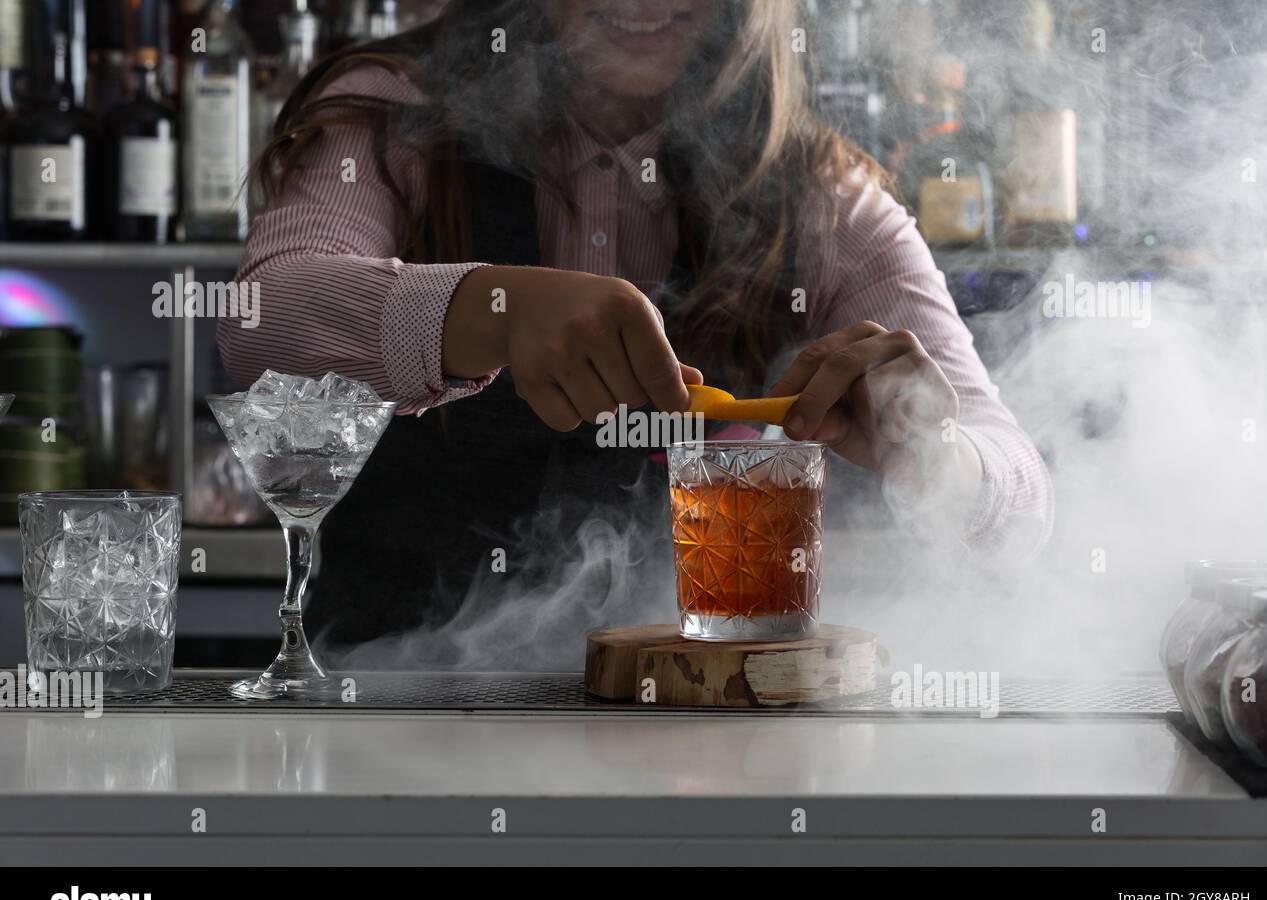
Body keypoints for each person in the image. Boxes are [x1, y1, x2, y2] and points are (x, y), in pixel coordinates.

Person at [218, 0, 1053, 657]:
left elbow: (1021, 506)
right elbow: (261, 322)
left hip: (705, 748)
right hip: (397, 722)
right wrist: (492, 308)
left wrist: (932, 453)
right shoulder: (394, 116)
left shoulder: (817, 191)